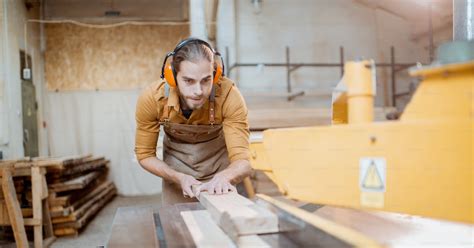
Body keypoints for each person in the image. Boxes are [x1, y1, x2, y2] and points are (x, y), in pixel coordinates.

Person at [134, 38, 252, 206]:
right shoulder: (152, 99)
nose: (198, 91)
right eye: (188, 81)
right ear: (173, 76)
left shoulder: (229, 96)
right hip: (176, 177)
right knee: (177, 228)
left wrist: (225, 176)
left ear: (215, 74)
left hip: (221, 176)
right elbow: (145, 155)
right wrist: (177, 177)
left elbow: (243, 161)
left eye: (206, 80)